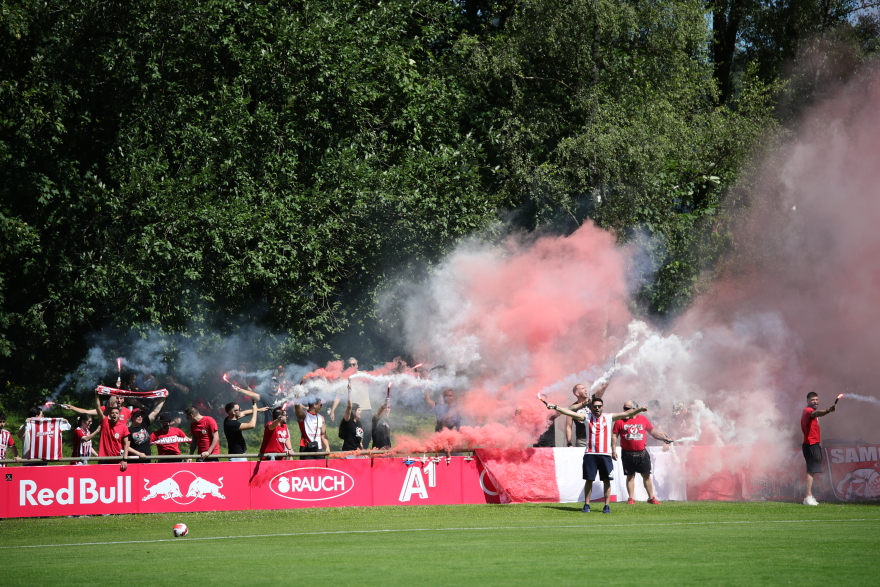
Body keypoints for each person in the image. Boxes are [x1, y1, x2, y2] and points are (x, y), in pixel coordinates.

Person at [546, 397, 646, 514]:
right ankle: (587, 504)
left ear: (602, 407)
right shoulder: (587, 417)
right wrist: (556, 407)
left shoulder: (609, 417)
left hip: (605, 454)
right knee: (589, 480)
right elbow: (570, 413)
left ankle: (606, 505)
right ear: (591, 408)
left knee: (607, 480)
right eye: (595, 406)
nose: (597, 408)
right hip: (590, 454)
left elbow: (626, 413)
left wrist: (640, 410)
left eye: (599, 406)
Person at [611, 400, 673, 504]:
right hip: (627, 453)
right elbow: (614, 436)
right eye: (624, 408)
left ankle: (651, 497)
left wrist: (664, 438)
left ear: (634, 409)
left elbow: (652, 432)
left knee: (646, 475)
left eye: (627, 409)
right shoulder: (619, 420)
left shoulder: (643, 419)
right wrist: (613, 450)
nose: (624, 410)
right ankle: (631, 498)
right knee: (630, 476)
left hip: (642, 452)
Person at [801, 391, 836, 506]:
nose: (815, 401)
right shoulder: (808, 411)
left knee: (812, 470)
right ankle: (807, 497)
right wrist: (828, 411)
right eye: (812, 400)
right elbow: (816, 414)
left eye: (816, 399)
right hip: (811, 444)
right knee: (811, 471)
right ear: (807, 401)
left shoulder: (810, 411)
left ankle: (809, 495)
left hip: (813, 444)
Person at [330, 357, 373, 446]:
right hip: (353, 410)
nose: (352, 366)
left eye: (353, 364)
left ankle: (363, 451)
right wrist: (332, 411)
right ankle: (355, 450)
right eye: (350, 365)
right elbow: (338, 396)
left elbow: (375, 381)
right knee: (354, 433)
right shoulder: (344, 379)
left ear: (357, 365)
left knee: (368, 433)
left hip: (366, 408)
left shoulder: (364, 375)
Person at [93, 390, 131, 471]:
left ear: (119, 415)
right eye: (113, 413)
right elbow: (98, 408)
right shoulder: (105, 421)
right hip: (104, 459)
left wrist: (125, 459)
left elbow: (126, 444)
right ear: (110, 415)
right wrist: (97, 396)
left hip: (117, 460)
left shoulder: (123, 427)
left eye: (116, 413)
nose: (114, 414)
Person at [61, 395, 133, 426]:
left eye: (121, 398)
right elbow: (87, 412)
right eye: (117, 398)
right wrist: (72, 407)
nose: (119, 400)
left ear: (124, 399)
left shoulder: (127, 411)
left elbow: (131, 424)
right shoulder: (105, 409)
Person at [339, 382, 365, 451]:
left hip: (358, 452)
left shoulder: (359, 423)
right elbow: (349, 406)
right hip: (349, 451)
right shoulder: (348, 421)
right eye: (359, 410)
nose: (361, 412)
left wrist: (363, 452)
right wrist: (349, 391)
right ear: (353, 411)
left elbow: (359, 441)